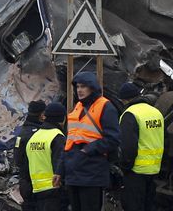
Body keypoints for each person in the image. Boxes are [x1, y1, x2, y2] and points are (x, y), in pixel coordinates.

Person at [62, 71, 120, 211]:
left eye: (83, 86)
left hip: (92, 173)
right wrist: (60, 170)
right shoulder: (77, 108)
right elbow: (69, 142)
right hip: (73, 173)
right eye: (77, 87)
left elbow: (113, 139)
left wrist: (87, 150)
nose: (79, 90)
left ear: (92, 88)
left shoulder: (105, 106)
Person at [118, 82, 165, 210]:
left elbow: (128, 146)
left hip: (136, 172)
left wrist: (124, 167)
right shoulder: (156, 112)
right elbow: (166, 140)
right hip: (154, 170)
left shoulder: (130, 114)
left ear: (123, 100)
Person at [20, 102, 67, 211]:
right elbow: (60, 163)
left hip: (36, 189)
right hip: (54, 190)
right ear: (63, 119)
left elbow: (25, 165)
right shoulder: (57, 137)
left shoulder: (34, 137)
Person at [14, 100, 47, 210]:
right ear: (42, 115)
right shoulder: (40, 134)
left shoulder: (22, 132)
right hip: (38, 184)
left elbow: (17, 160)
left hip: (25, 182)